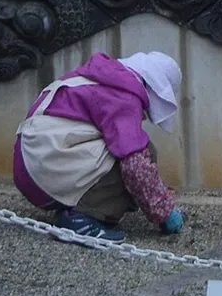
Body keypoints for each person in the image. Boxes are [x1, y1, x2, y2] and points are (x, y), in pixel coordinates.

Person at [12, 50, 186, 244]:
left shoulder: (100, 77)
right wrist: (165, 213)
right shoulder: (122, 96)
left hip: (32, 168)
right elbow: (135, 165)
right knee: (135, 156)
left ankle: (80, 207)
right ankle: (81, 219)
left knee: (135, 150)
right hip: (43, 168)